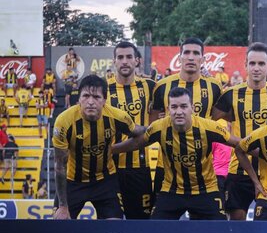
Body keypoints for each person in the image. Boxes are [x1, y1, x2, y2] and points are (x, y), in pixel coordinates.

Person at [113, 87, 240, 220]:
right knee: (154, 232)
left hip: (206, 189)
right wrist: (110, 150)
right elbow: (136, 143)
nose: (179, 112)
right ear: (168, 109)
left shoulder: (209, 127)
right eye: (174, 107)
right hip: (172, 190)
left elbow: (239, 143)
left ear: (193, 108)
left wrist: (259, 149)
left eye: (184, 106)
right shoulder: (159, 127)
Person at [212, 42, 267, 221]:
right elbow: (208, 120)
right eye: (252, 63)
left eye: (261, 64)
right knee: (236, 218)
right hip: (239, 169)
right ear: (245, 65)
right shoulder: (231, 95)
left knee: (265, 223)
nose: (256, 68)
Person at [52, 75, 144, 220]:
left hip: (105, 180)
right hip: (73, 181)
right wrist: (63, 206)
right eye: (86, 96)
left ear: (104, 101)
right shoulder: (64, 122)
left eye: (96, 97)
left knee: (114, 228)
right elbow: (59, 166)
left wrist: (115, 149)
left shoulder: (118, 117)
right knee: (61, 223)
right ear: (79, 99)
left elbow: (140, 135)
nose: (90, 102)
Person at [151, 37, 222, 197]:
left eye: (196, 53)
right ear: (180, 56)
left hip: (203, 168)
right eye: (187, 53)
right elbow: (152, 122)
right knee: (160, 222)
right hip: (167, 167)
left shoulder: (214, 87)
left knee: (205, 222)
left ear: (203, 59)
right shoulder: (162, 86)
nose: (191, 57)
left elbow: (216, 120)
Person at [107, 41, 156, 219]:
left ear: (137, 61)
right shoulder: (104, 89)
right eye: (120, 57)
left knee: (141, 224)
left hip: (140, 168)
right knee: (112, 222)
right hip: (111, 169)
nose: (125, 61)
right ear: (114, 61)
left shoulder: (149, 86)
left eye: (129, 57)